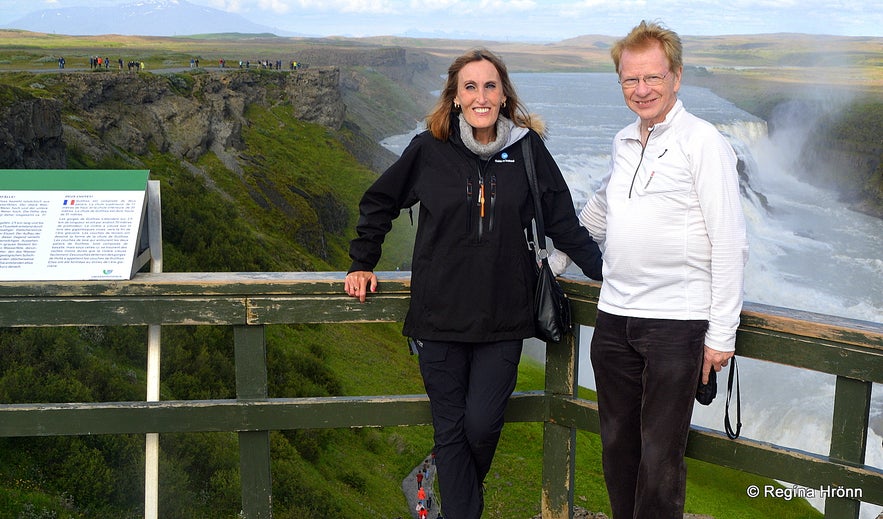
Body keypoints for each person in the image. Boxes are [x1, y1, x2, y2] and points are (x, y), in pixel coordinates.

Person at [344, 48, 603, 519]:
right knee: (451, 428)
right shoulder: (429, 149)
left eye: (489, 86)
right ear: (455, 97)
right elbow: (379, 201)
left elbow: (564, 222)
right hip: (437, 318)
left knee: (481, 426)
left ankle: (432, 481)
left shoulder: (528, 149)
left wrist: (609, 275)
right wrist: (362, 261)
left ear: (504, 94)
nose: (480, 96)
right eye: (470, 87)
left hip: (503, 320)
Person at [553, 20, 748, 518]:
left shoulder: (704, 143)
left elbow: (730, 241)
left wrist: (721, 332)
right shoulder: (623, 141)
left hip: (675, 324)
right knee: (618, 448)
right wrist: (554, 264)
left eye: (653, 78)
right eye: (630, 80)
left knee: (661, 459)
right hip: (615, 318)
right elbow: (599, 210)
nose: (641, 90)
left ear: (676, 77)